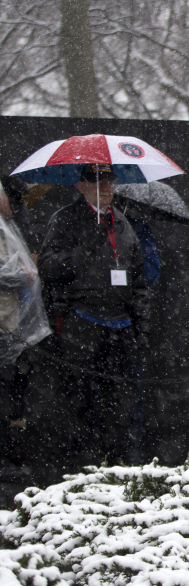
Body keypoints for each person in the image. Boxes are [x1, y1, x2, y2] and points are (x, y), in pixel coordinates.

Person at [37, 163, 150, 467]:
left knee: (121, 407)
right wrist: (83, 250)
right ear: (81, 186)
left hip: (121, 326)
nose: (106, 189)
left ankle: (117, 467)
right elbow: (47, 267)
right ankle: (79, 470)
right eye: (97, 183)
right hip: (82, 323)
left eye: (110, 183)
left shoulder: (123, 223)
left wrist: (141, 325)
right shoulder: (66, 219)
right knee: (79, 404)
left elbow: (139, 279)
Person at [0, 185, 49, 465]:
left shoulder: (12, 227)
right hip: (4, 320)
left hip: (15, 321)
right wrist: (22, 276)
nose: (15, 204)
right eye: (10, 198)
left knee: (16, 386)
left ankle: (14, 450)